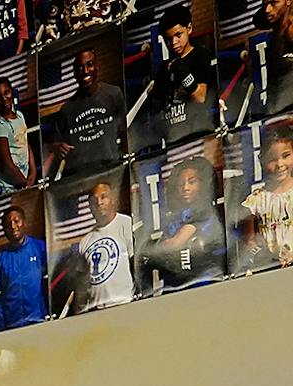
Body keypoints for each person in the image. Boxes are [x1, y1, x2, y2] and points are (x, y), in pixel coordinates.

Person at [140, 153, 226, 288]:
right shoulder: (173, 219)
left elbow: (173, 245)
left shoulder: (206, 213)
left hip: (205, 284)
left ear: (203, 184)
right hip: (174, 289)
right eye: (181, 184)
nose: (185, 188)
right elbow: (161, 253)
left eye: (192, 182)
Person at [142, 9, 216, 154]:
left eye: (178, 35)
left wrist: (181, 69)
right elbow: (157, 110)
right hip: (174, 140)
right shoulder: (163, 68)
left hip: (199, 135)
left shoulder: (200, 55)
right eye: (169, 39)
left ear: (189, 28)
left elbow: (200, 97)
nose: (174, 42)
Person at [48, 45, 127, 177]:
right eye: (80, 67)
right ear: (74, 74)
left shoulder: (114, 94)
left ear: (97, 67)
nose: (85, 71)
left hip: (111, 168)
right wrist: (57, 147)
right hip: (80, 174)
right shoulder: (66, 110)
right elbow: (56, 146)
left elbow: (125, 132)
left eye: (89, 65)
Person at [236, 125, 293, 270]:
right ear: (262, 160)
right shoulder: (256, 200)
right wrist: (266, 260)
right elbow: (250, 241)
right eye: (272, 160)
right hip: (270, 269)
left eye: (286, 156)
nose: (280, 164)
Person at [77, 176, 138, 308]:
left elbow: (137, 267)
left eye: (103, 197)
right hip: (97, 310)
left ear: (113, 200)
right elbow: (82, 282)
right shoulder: (85, 241)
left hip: (125, 304)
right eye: (94, 200)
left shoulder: (126, 224)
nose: (99, 203)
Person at [0, 201, 50, 328]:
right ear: (4, 230)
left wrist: (48, 315)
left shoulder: (40, 248)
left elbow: (49, 286)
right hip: (13, 326)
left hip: (39, 321)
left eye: (16, 221)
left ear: (24, 222)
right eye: (8, 224)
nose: (13, 226)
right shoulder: (0, 260)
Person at [0, 77, 36, 192]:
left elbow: (25, 144)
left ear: (12, 91)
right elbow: (6, 163)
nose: (4, 100)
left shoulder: (20, 116)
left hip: (22, 181)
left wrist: (33, 172)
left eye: (7, 93)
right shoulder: (0, 126)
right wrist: (24, 183)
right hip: (6, 187)